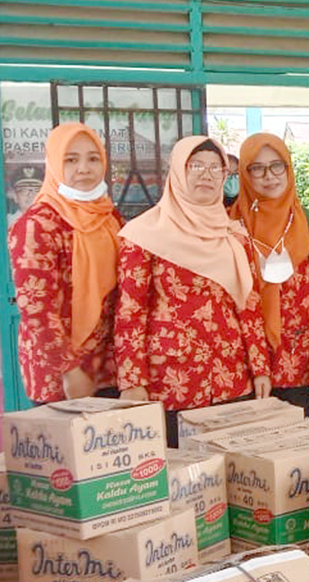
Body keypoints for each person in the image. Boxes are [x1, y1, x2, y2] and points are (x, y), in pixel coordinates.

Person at [115, 137, 270, 443]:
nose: (206, 174)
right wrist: (132, 380)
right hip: (170, 386)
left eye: (216, 168)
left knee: (232, 478)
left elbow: (248, 307)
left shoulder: (234, 235)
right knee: (178, 482)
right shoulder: (143, 234)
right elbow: (131, 312)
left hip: (231, 379)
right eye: (195, 165)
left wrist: (260, 368)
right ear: (177, 172)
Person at [9, 122, 122, 403]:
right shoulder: (37, 225)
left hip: (108, 370)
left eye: (93, 158)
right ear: (54, 164)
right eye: (70, 160)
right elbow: (37, 308)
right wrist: (69, 369)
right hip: (61, 379)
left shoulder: (110, 218)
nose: (84, 168)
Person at [230, 132, 309, 418]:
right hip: (243, 361)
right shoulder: (230, 225)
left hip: (299, 359)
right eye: (257, 168)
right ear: (245, 173)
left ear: (289, 169)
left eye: (277, 165)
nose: (269, 176)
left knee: (291, 448)